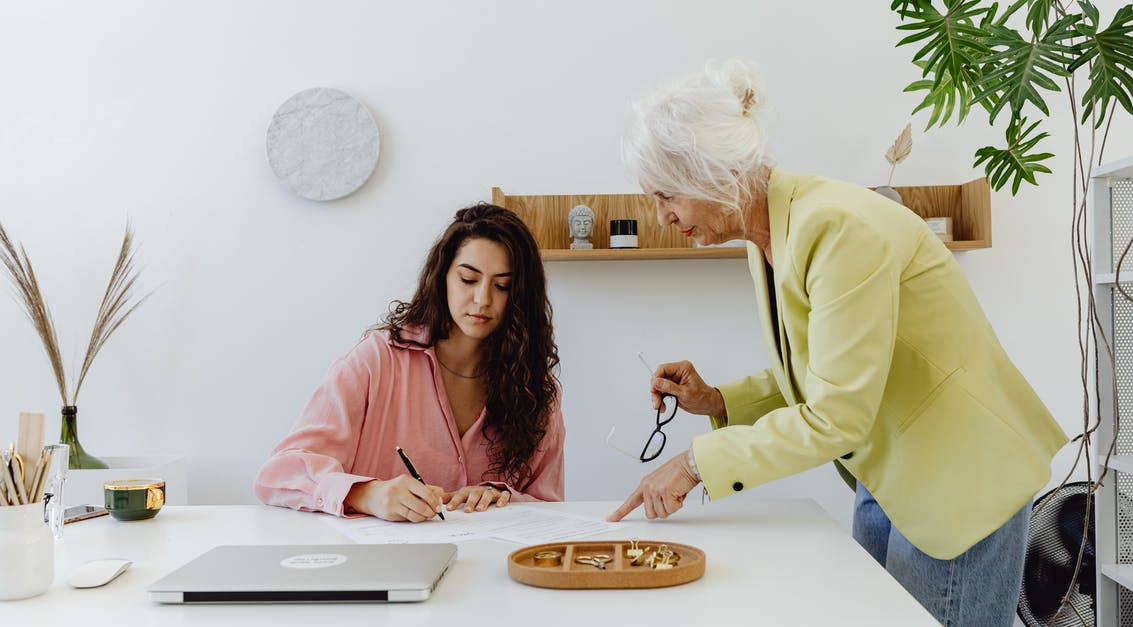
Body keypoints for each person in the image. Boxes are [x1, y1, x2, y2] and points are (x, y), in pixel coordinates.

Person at [606, 60, 1067, 627]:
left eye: (666, 195)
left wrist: (693, 464)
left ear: (713, 174)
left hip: (956, 484)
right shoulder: (770, 235)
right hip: (890, 477)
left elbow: (837, 415)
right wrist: (719, 402)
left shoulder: (836, 227)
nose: (660, 216)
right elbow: (831, 370)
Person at [255, 203, 565, 522]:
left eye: (503, 286)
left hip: (491, 564)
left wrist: (505, 497)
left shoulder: (536, 390)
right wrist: (366, 493)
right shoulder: (375, 361)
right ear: (442, 276)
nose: (483, 299)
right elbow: (279, 474)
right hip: (383, 562)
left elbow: (551, 506)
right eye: (468, 280)